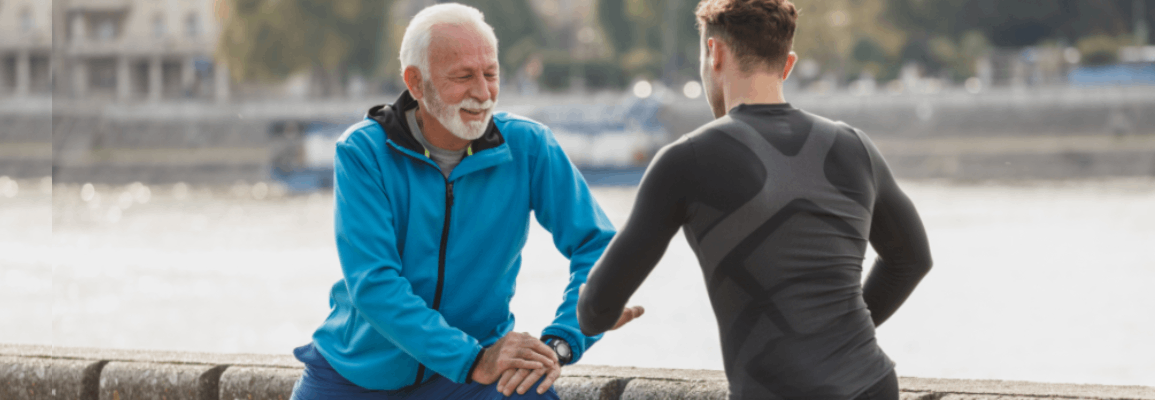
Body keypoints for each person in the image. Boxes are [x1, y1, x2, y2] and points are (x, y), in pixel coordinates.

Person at [576, 0, 934, 399]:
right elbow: (912, 260)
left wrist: (595, 310)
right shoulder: (854, 147)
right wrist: (834, 337)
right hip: (872, 386)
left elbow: (596, 310)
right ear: (788, 64)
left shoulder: (687, 159)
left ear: (715, 52)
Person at [289, 3, 645, 399]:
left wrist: (563, 340)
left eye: (490, 74)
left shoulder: (529, 146)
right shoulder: (363, 151)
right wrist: (473, 360)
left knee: (534, 392)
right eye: (463, 77)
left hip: (473, 379)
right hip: (355, 375)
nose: (482, 92)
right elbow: (374, 283)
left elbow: (598, 246)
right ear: (416, 82)